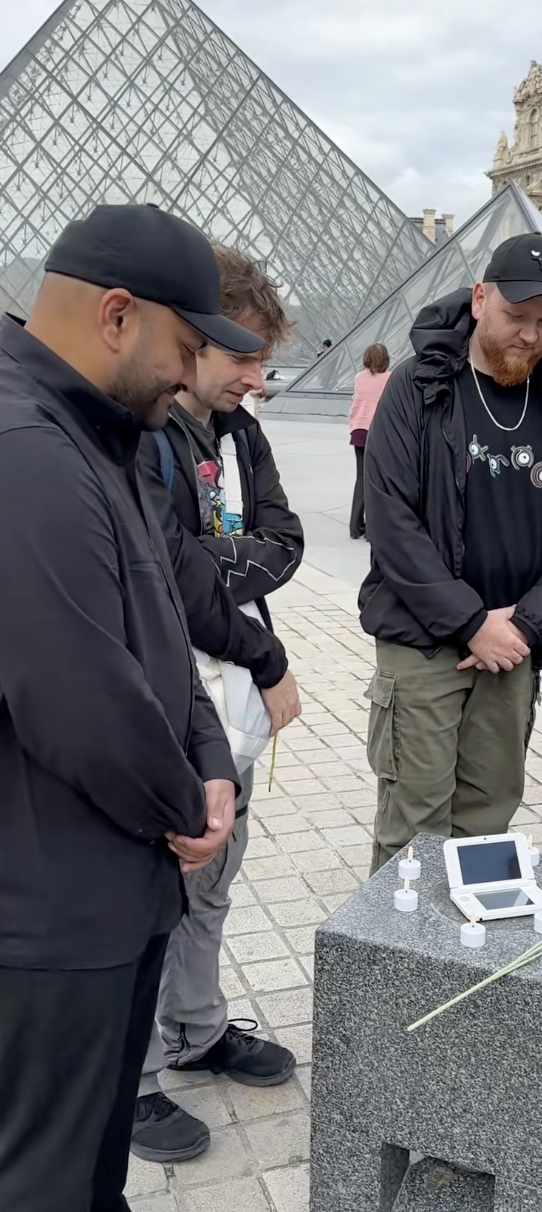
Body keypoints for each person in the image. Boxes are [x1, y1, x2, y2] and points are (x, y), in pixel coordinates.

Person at [0, 203, 255, 1212]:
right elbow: (83, 702)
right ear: (116, 317)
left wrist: (211, 757)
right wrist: (189, 806)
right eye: (185, 348)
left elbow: (161, 622)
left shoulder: (98, 436)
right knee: (48, 1185)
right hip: (51, 922)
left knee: (90, 1179)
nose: (190, 377)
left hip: (108, 890)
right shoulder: (27, 451)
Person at [360, 233, 542, 871]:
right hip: (423, 640)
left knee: (488, 820)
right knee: (414, 828)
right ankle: (402, 942)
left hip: (514, 646)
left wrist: (526, 626)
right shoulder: (418, 386)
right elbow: (391, 519)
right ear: (479, 299)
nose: (529, 335)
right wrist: (470, 622)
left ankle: (469, 937)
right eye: (516, 315)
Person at [134, 248, 303, 1163]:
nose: (258, 380)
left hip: (230, 697)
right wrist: (257, 634)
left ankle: (195, 1030)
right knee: (156, 888)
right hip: (171, 693)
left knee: (216, 877)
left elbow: (287, 539)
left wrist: (211, 572)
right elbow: (165, 574)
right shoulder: (146, 434)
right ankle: (129, 1080)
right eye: (245, 357)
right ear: (193, 340)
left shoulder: (240, 433)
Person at [349, 342, 390, 540]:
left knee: (361, 478)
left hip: (358, 430)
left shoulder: (359, 378)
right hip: (378, 432)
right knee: (378, 480)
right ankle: (373, 528)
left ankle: (355, 526)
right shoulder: (389, 378)